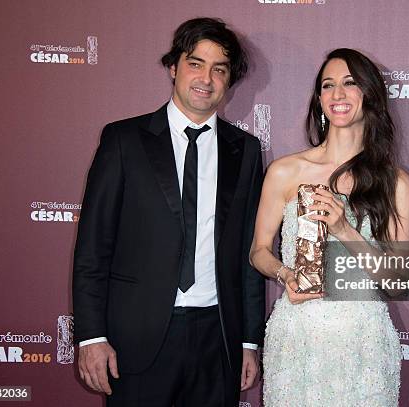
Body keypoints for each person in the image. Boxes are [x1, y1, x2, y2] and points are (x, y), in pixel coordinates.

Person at [73, 17, 265, 407]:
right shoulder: (124, 140)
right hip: (137, 339)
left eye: (219, 69)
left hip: (218, 340)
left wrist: (248, 340)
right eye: (196, 63)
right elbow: (93, 247)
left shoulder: (245, 150)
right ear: (174, 67)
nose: (206, 78)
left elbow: (249, 255)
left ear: (230, 80)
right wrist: (92, 336)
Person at [250, 48, 409, 406]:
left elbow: (398, 283)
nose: (337, 94)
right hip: (299, 336)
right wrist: (284, 274)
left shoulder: (395, 182)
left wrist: (345, 229)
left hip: (363, 341)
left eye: (349, 83)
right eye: (328, 85)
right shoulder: (285, 171)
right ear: (319, 99)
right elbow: (258, 251)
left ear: (369, 95)